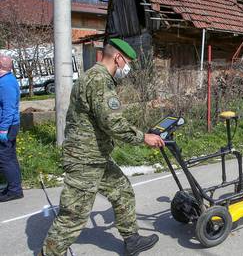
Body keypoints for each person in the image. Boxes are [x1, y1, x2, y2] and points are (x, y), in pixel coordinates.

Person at [40, 39, 165, 256]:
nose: (128, 69)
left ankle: (132, 239)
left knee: (122, 191)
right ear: (118, 58)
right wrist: (144, 137)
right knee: (74, 215)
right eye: (128, 63)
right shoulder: (100, 80)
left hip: (96, 156)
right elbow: (112, 123)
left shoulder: (92, 77)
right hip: (85, 159)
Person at [0, 54, 23, 202]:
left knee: (5, 159)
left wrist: (3, 129)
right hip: (10, 125)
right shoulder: (6, 80)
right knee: (10, 157)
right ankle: (14, 186)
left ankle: (15, 190)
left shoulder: (5, 83)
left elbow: (9, 108)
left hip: (8, 126)